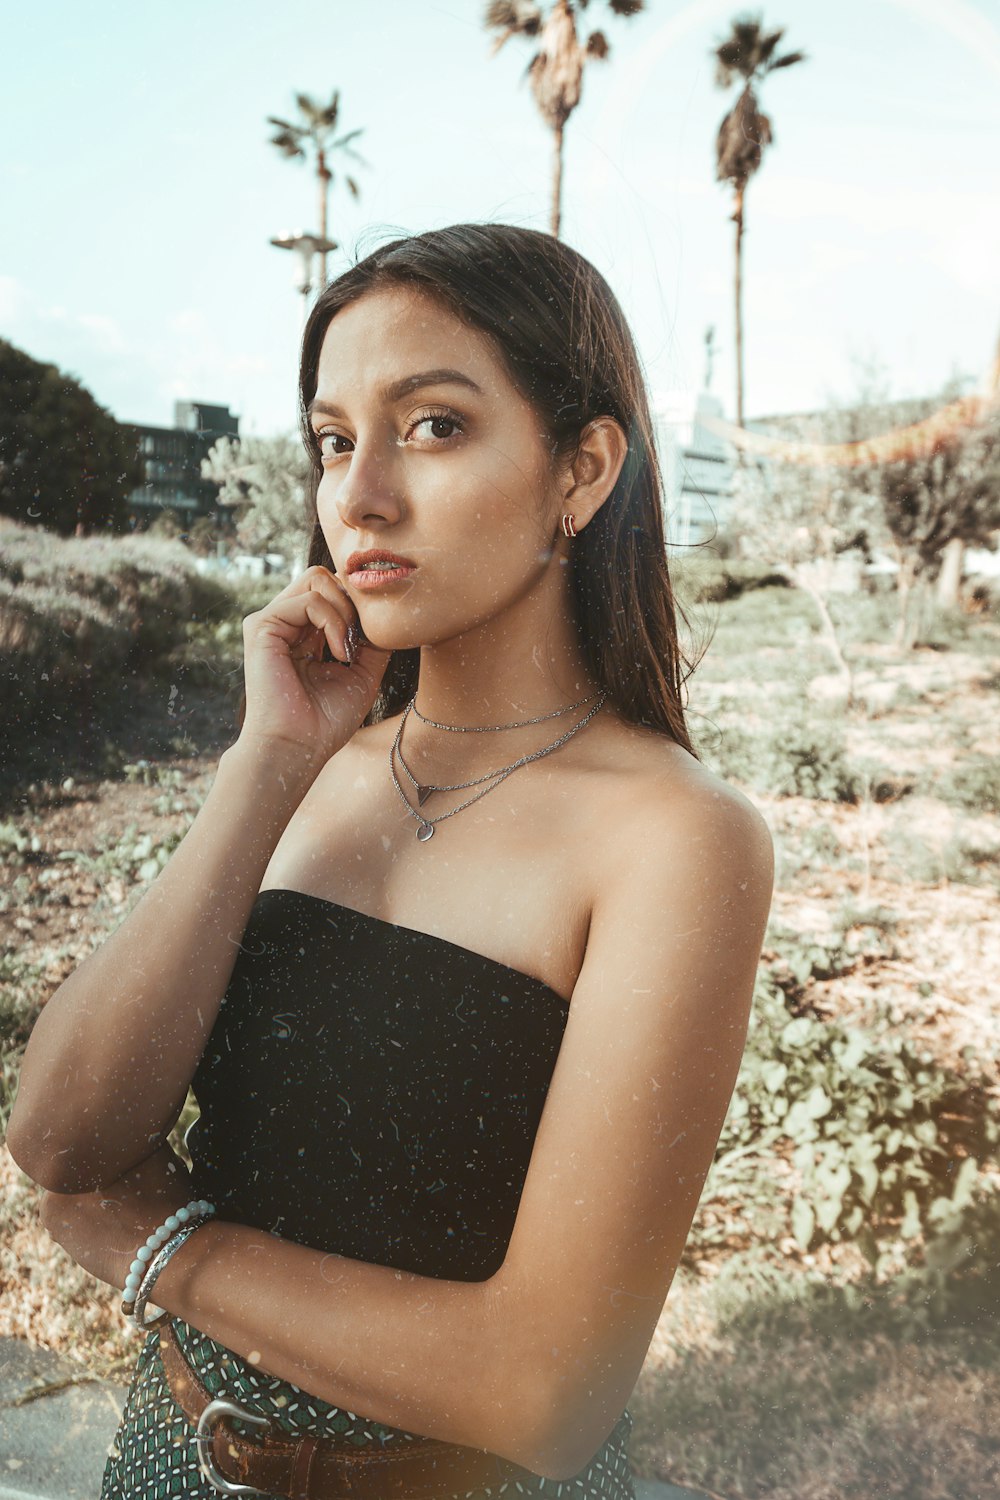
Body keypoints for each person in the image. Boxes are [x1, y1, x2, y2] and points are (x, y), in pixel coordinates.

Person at [7, 222, 774, 1500]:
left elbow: (545, 1392)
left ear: (581, 472)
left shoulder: (673, 836)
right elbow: (57, 1140)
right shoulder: (310, 771)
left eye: (431, 426)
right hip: (167, 1456)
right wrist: (267, 767)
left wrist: (170, 1250)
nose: (359, 495)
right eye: (333, 440)